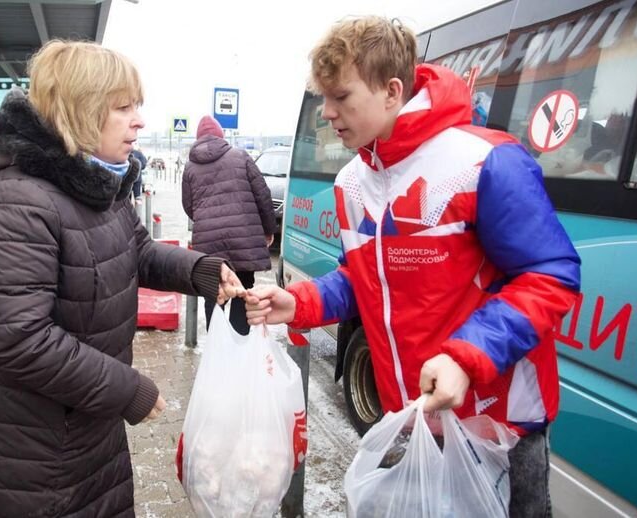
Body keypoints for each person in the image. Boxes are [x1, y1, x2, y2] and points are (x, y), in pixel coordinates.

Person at [244, 17, 580, 517]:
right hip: (413, 419)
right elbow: (364, 279)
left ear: (391, 90)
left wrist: (466, 357)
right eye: (324, 99)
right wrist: (303, 301)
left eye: (341, 98)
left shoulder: (484, 161)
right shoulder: (352, 181)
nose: (327, 115)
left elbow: (551, 277)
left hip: (499, 427)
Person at [0, 40, 242, 517]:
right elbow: (20, 339)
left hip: (79, 427)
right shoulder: (19, 201)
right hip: (26, 455)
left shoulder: (96, 183)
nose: (139, 121)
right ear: (79, 112)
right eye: (123, 108)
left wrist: (200, 270)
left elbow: (137, 251)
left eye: (137, 107)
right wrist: (127, 390)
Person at [183, 115, 278, 335]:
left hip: (209, 246)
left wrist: (206, 221)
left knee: (213, 294)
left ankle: (215, 348)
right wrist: (268, 229)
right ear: (221, 136)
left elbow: (189, 207)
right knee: (242, 291)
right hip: (243, 240)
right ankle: (239, 343)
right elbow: (262, 196)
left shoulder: (190, 167)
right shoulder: (241, 156)